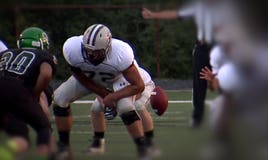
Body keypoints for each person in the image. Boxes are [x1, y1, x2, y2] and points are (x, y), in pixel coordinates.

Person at [52, 24, 157, 159]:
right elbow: (77, 74)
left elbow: (138, 86)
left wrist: (113, 97)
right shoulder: (72, 48)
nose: (91, 55)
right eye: (88, 50)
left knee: (125, 107)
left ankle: (142, 147)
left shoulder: (121, 53)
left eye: (96, 52)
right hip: (89, 77)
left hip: (117, 79)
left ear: (108, 47)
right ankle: (64, 145)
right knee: (59, 98)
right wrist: (103, 93)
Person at [142, 0, 214, 128]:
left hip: (221, 47)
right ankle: (198, 118)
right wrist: (154, 15)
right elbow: (176, 14)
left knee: (228, 78)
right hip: (203, 48)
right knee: (199, 83)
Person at [0, 27, 56, 159]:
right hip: (16, 88)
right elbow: (46, 74)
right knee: (43, 129)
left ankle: (7, 153)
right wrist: (35, 94)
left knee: (19, 134)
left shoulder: (6, 53)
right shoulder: (43, 56)